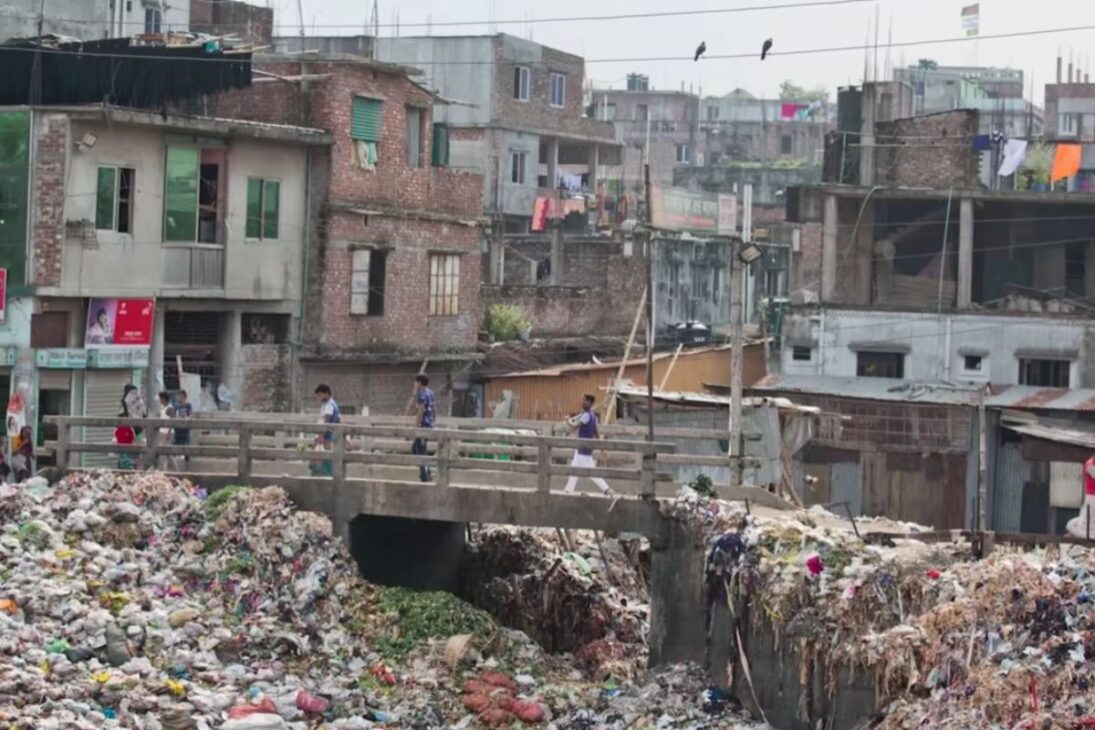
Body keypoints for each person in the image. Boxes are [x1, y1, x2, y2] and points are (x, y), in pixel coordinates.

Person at [563, 394, 617, 504]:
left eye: (585, 401)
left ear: (590, 403)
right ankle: (568, 491)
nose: (582, 402)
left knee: (591, 473)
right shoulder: (592, 416)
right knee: (574, 470)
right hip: (582, 449)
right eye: (583, 400)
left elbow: (574, 427)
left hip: (584, 449)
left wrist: (568, 421)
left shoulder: (586, 416)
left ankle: (607, 490)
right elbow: (596, 432)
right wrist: (602, 449)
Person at [409, 374, 435, 482]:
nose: (414, 384)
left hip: (423, 425)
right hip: (429, 424)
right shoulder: (430, 392)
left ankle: (425, 475)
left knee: (420, 451)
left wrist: (416, 426)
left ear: (419, 382)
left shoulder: (422, 394)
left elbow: (421, 411)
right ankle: (426, 472)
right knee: (415, 449)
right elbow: (434, 409)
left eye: (415, 382)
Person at [312, 384, 340, 477]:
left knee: (322, 458)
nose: (319, 398)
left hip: (325, 436)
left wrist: (321, 435)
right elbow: (339, 420)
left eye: (320, 395)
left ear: (326, 393)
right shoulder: (333, 404)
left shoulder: (329, 406)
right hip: (328, 436)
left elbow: (326, 421)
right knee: (325, 457)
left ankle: (322, 476)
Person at [174, 390, 193, 468]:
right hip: (177, 430)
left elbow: (190, 415)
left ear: (184, 397)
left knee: (186, 449)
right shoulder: (176, 406)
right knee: (174, 448)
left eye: (180, 396)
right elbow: (173, 416)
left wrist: (186, 418)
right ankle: (175, 466)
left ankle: (187, 466)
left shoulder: (188, 405)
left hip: (185, 430)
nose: (178, 398)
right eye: (177, 396)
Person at [157, 391, 176, 470]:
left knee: (163, 452)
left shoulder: (169, 408)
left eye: (160, 399)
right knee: (167, 452)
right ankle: (174, 468)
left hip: (167, 433)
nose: (159, 400)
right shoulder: (163, 408)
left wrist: (169, 432)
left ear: (164, 399)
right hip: (162, 432)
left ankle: (162, 469)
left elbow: (172, 420)